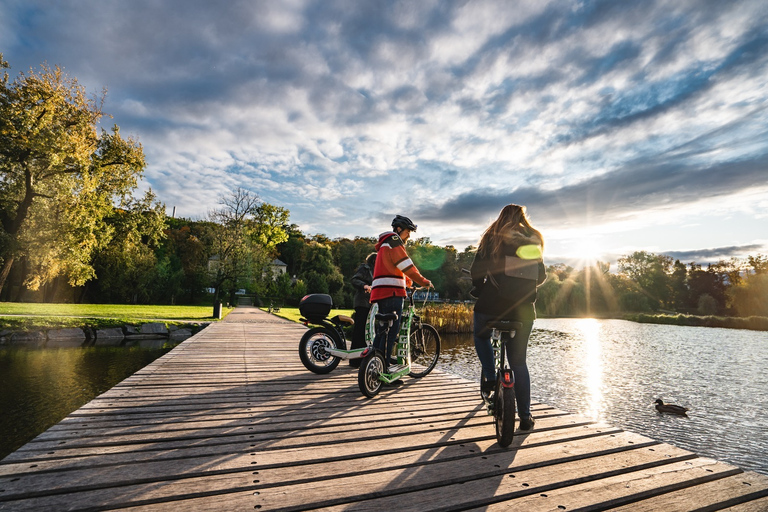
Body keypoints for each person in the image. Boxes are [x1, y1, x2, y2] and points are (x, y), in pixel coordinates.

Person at [470, 204, 546, 431]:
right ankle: (525, 417)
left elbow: (476, 271)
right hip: (523, 310)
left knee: (480, 334)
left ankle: (491, 375)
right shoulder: (532, 238)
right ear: (523, 218)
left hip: (491, 306)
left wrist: (479, 288)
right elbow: (541, 276)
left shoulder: (492, 237)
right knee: (519, 362)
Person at [370, 215, 432, 370]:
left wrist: (408, 282)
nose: (409, 235)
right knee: (391, 332)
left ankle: (374, 365)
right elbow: (407, 266)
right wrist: (424, 281)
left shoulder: (384, 245)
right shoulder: (394, 241)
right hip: (392, 293)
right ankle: (384, 370)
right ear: (399, 229)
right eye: (408, 231)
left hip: (381, 292)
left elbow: (394, 268)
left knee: (382, 331)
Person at [349, 252, 376, 367]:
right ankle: (355, 360)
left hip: (370, 304)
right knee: (360, 331)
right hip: (362, 303)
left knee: (366, 332)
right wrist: (364, 286)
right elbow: (354, 280)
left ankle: (361, 359)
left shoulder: (376, 271)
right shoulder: (365, 268)